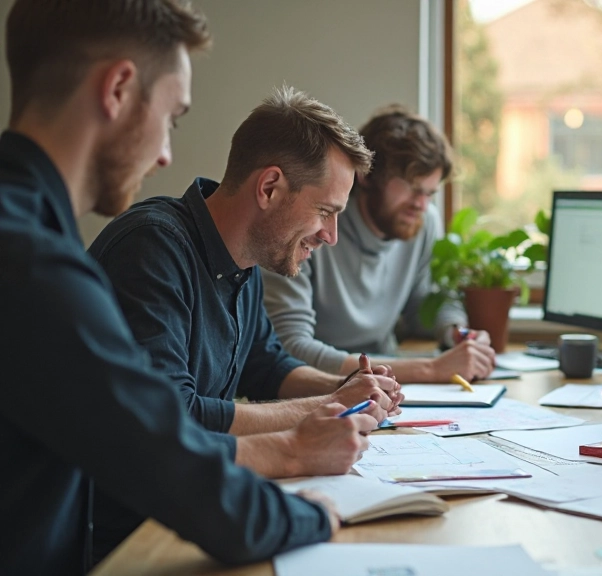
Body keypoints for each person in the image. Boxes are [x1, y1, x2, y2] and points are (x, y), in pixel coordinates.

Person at [0, 1, 369, 574]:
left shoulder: (32, 239)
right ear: (118, 89)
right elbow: (165, 455)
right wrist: (310, 500)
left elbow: (155, 432)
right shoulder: (33, 262)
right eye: (172, 118)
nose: (166, 154)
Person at [86, 86, 404, 561]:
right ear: (269, 187)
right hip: (123, 540)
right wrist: (325, 408)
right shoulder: (151, 248)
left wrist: (349, 387)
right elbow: (174, 415)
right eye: (325, 212)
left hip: (186, 510)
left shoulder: (246, 260)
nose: (331, 236)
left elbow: (266, 365)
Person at [262, 106, 497, 383]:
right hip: (319, 386)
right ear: (367, 175)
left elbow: (423, 304)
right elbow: (291, 349)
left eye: (429, 193)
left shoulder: (423, 222)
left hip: (385, 380)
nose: (421, 205)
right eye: (412, 188)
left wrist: (454, 330)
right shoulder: (312, 229)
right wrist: (429, 370)